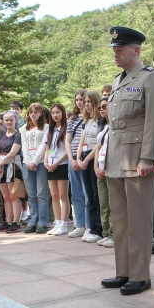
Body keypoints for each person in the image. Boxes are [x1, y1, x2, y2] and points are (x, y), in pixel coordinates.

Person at [98, 26, 154, 296]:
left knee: (139, 220)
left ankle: (140, 275)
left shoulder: (149, 79)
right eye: (114, 49)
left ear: (136, 51)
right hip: (116, 160)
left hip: (137, 160)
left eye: (120, 49)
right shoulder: (117, 80)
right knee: (121, 221)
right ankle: (123, 271)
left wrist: (148, 157)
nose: (116, 53)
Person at [77, 91, 103, 243]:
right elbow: (81, 141)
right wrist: (79, 158)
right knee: (89, 196)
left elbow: (98, 143)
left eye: (89, 102)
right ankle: (92, 227)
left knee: (96, 195)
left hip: (94, 157)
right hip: (84, 157)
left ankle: (99, 229)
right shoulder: (85, 120)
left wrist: (86, 159)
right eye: (84, 102)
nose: (86, 104)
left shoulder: (100, 120)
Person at [21, 103, 49, 234]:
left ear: (41, 113)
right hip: (27, 164)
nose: (33, 114)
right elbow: (24, 147)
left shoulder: (47, 128)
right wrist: (28, 162)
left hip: (41, 163)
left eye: (36, 112)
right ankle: (33, 220)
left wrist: (35, 161)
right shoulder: (24, 129)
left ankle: (43, 222)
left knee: (41, 194)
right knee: (31, 195)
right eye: (31, 112)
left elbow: (44, 146)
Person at [0, 111, 24, 233]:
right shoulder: (1, 135)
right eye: (6, 120)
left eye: (11, 120)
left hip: (13, 167)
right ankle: (8, 221)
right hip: (1, 167)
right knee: (6, 197)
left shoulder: (18, 135)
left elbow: (12, 153)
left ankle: (16, 222)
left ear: (15, 120)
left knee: (14, 196)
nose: (8, 122)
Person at [45, 104, 70, 235]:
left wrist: (57, 163)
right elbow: (47, 148)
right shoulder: (50, 130)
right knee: (54, 196)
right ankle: (58, 222)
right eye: (53, 113)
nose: (55, 115)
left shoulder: (66, 129)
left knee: (62, 195)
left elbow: (67, 150)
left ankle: (65, 224)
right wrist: (45, 161)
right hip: (50, 165)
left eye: (58, 112)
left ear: (63, 114)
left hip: (62, 165)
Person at [66, 90, 88, 238]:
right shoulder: (73, 119)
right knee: (76, 194)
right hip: (72, 157)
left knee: (88, 194)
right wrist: (72, 159)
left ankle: (89, 225)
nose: (79, 102)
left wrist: (79, 159)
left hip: (85, 157)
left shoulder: (92, 118)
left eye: (82, 99)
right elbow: (68, 140)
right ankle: (79, 224)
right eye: (77, 100)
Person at [94, 97, 113, 248]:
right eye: (100, 107)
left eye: (105, 106)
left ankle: (113, 234)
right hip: (99, 168)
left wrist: (106, 168)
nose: (102, 109)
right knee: (104, 204)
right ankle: (106, 232)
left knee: (113, 204)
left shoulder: (115, 125)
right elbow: (98, 148)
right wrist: (96, 166)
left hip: (110, 169)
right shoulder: (103, 126)